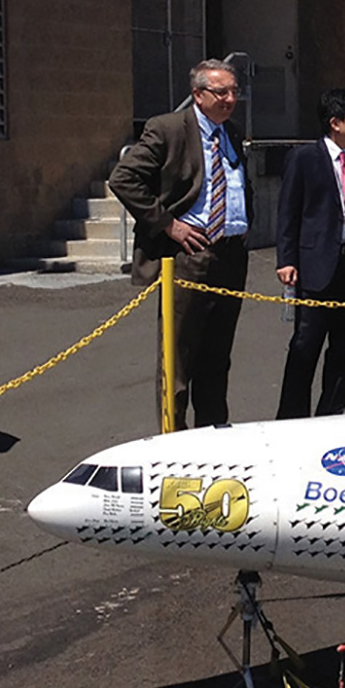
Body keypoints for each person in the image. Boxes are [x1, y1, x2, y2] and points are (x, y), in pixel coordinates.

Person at [109, 59, 252, 430]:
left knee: (218, 355)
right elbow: (124, 179)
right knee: (179, 355)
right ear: (198, 95)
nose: (230, 99)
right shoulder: (169, 128)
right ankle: (173, 436)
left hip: (231, 254)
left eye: (235, 91)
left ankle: (213, 432)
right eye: (222, 92)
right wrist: (169, 225)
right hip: (190, 256)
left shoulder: (232, 133)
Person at [275, 89, 345, 419]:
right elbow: (288, 212)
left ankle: (331, 418)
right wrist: (287, 259)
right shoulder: (305, 159)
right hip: (318, 270)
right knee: (305, 348)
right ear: (336, 123)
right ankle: (291, 421)